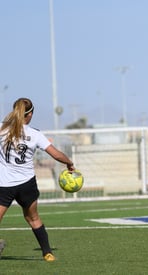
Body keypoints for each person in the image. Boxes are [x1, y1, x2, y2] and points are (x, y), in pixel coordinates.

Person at [0, 98, 76, 262]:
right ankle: (47, 253)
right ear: (30, 114)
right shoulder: (35, 134)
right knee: (34, 219)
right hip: (27, 184)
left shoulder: (2, 129)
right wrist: (69, 163)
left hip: (4, 184)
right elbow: (56, 154)